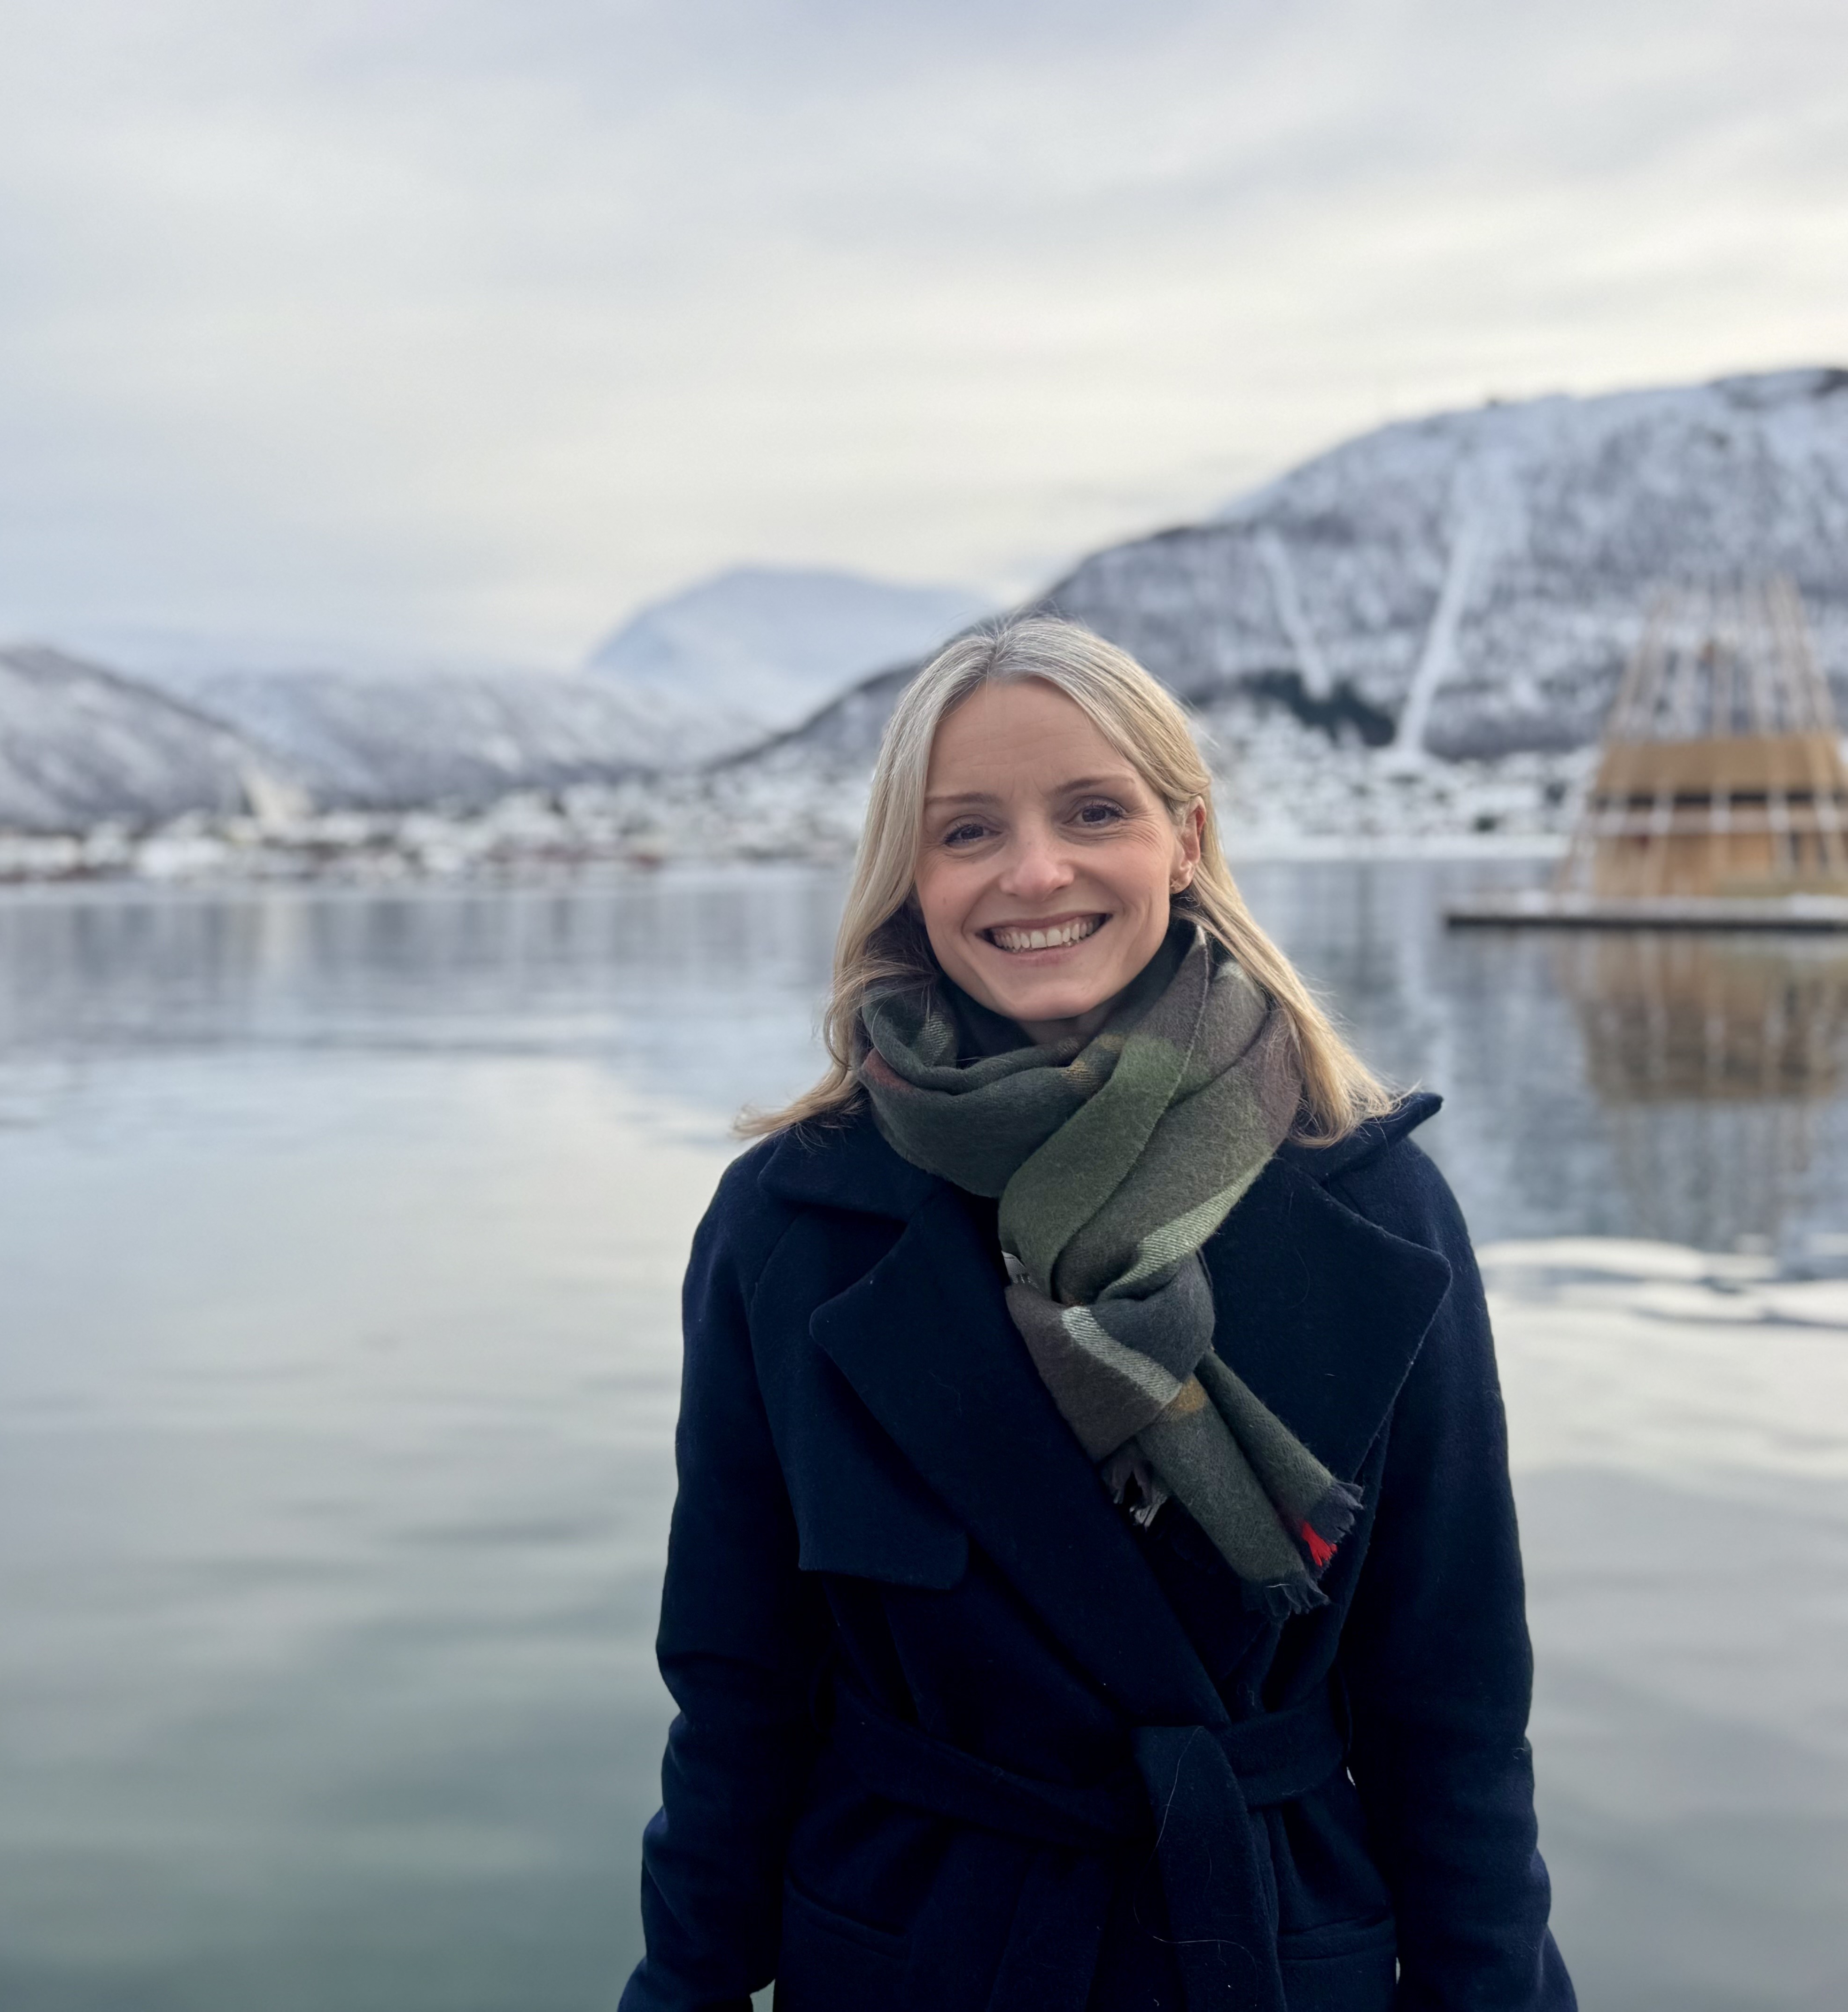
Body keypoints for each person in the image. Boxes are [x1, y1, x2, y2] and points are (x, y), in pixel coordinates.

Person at [618, 618, 1571, 2012]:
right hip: (914, 1954)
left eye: (1093, 812)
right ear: (909, 879)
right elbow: (736, 1691)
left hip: (1267, 1949)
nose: (1035, 872)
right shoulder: (790, 1224)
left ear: (1186, 840)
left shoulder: (1373, 1202)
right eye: (968, 831)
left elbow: (1456, 1710)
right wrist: (683, 1986)